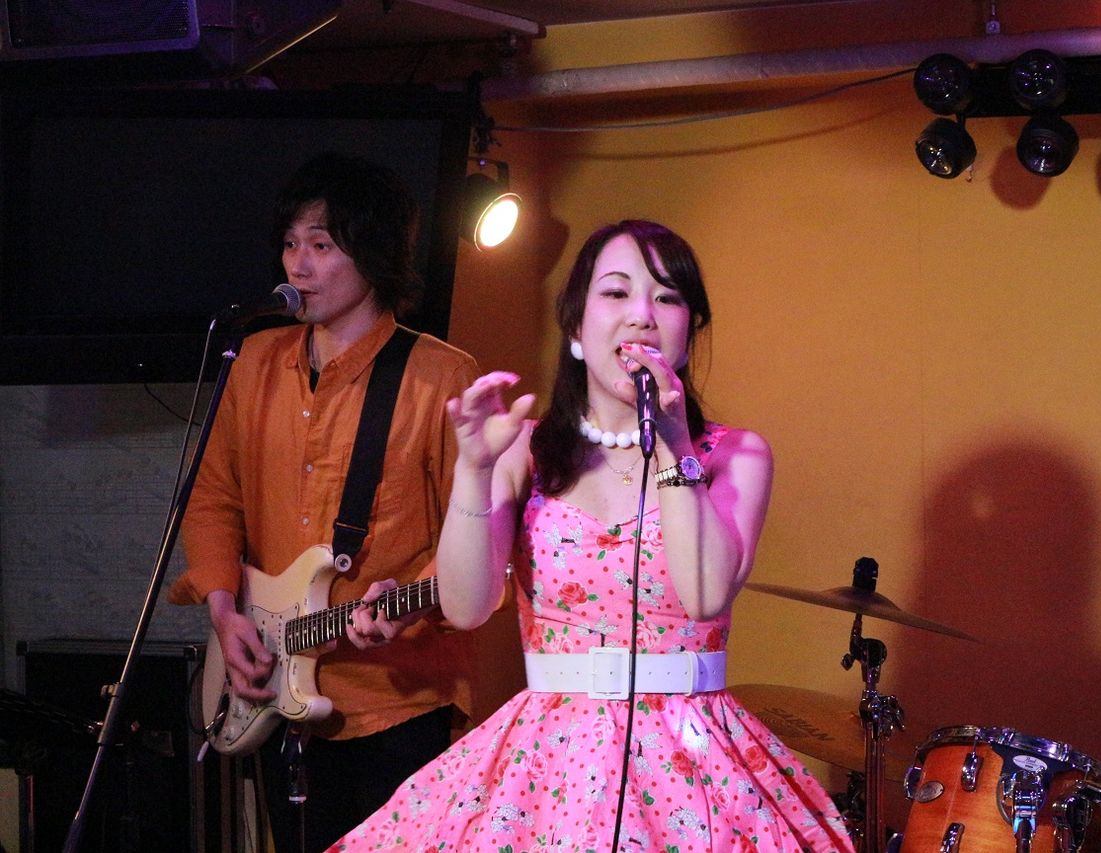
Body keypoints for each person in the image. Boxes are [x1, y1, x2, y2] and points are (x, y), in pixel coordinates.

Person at [327, 220, 855, 852]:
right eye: (616, 292)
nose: (641, 315)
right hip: (549, 757)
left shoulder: (733, 454)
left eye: (666, 297)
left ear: (688, 332)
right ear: (576, 329)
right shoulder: (524, 450)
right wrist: (473, 469)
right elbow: (466, 607)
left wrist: (674, 445)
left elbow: (705, 594)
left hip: (692, 755)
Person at [167, 152, 480, 853]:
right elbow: (213, 497)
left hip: (398, 702)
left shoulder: (441, 378)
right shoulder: (252, 364)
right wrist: (224, 610)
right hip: (279, 692)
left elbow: (479, 539)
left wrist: (410, 607)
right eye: (290, 243)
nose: (297, 266)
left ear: (373, 254)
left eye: (321, 245)